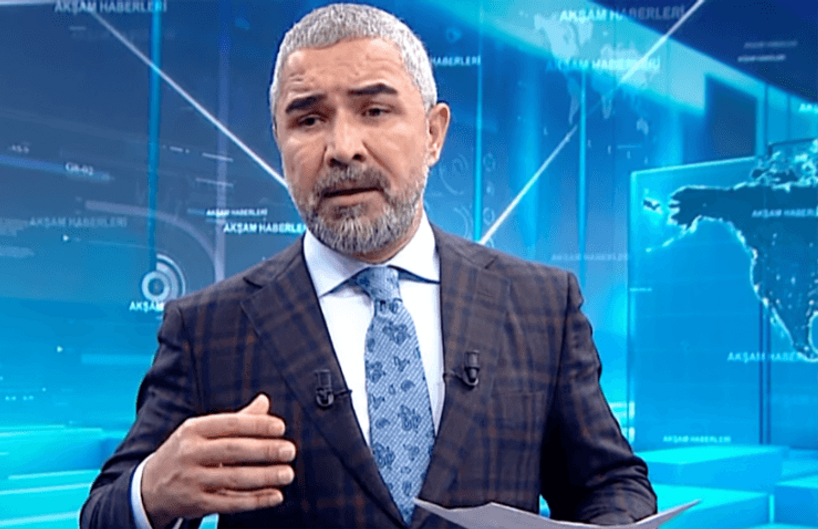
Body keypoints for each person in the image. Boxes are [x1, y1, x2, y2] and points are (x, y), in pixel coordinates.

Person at [80, 3, 656, 528]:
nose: (342, 147)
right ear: (279, 141)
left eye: (374, 110)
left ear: (433, 133)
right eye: (308, 120)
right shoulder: (207, 328)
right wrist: (152, 492)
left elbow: (609, 484)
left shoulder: (541, 305)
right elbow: (103, 513)